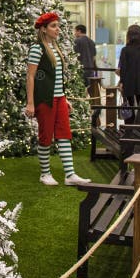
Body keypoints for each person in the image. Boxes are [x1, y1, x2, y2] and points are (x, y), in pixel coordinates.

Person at [25, 12, 91, 186]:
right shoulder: (37, 49)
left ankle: (70, 175)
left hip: (59, 98)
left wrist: (64, 97)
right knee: (45, 136)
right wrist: (30, 103)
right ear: (44, 29)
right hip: (44, 100)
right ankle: (45, 174)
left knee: (64, 135)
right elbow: (31, 76)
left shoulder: (55, 48)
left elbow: (57, 76)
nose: (58, 29)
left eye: (58, 26)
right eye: (53, 26)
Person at [116, 24, 140, 123]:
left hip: (129, 83)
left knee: (129, 108)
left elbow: (123, 69)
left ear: (128, 36)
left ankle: (129, 130)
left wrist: (121, 82)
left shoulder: (125, 50)